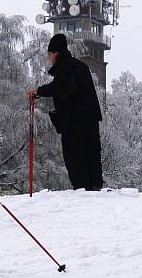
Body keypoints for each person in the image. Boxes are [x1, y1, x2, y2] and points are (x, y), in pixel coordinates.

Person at [27, 33, 104, 191]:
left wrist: (39, 91)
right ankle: (96, 188)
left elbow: (63, 87)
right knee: (92, 155)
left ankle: (83, 190)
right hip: (91, 120)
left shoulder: (64, 67)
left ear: (54, 53)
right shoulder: (81, 66)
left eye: (49, 54)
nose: (49, 58)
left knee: (75, 157)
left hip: (74, 122)